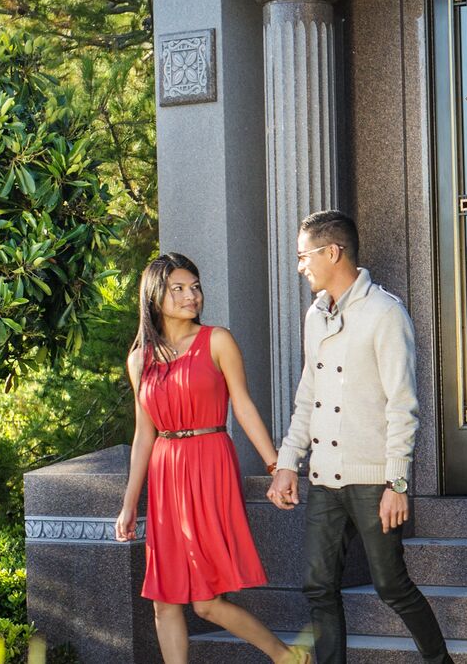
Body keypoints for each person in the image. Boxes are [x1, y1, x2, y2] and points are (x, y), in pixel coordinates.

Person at [266, 210, 454, 664]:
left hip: (374, 480)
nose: (300, 266)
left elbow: (402, 404)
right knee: (318, 585)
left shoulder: (384, 312)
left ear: (333, 252)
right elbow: (308, 395)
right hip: (325, 478)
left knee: (392, 585)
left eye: (304, 256)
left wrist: (397, 483)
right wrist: (288, 461)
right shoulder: (315, 316)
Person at [115, 253, 306, 664]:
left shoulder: (217, 340)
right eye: (178, 289)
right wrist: (130, 504)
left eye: (195, 287)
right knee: (164, 600)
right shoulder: (139, 359)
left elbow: (244, 406)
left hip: (209, 464)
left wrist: (276, 467)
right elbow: (144, 434)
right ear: (154, 296)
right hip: (165, 475)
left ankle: (286, 657)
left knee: (205, 602)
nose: (191, 296)